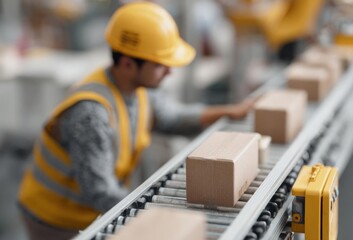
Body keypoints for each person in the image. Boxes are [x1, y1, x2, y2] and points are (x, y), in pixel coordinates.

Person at [17, 2, 255, 240]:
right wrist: (158, 220)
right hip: (56, 219)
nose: (169, 72)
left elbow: (170, 118)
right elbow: (100, 191)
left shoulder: (140, 88)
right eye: (161, 65)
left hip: (89, 210)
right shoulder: (91, 114)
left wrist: (228, 112)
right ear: (129, 64)